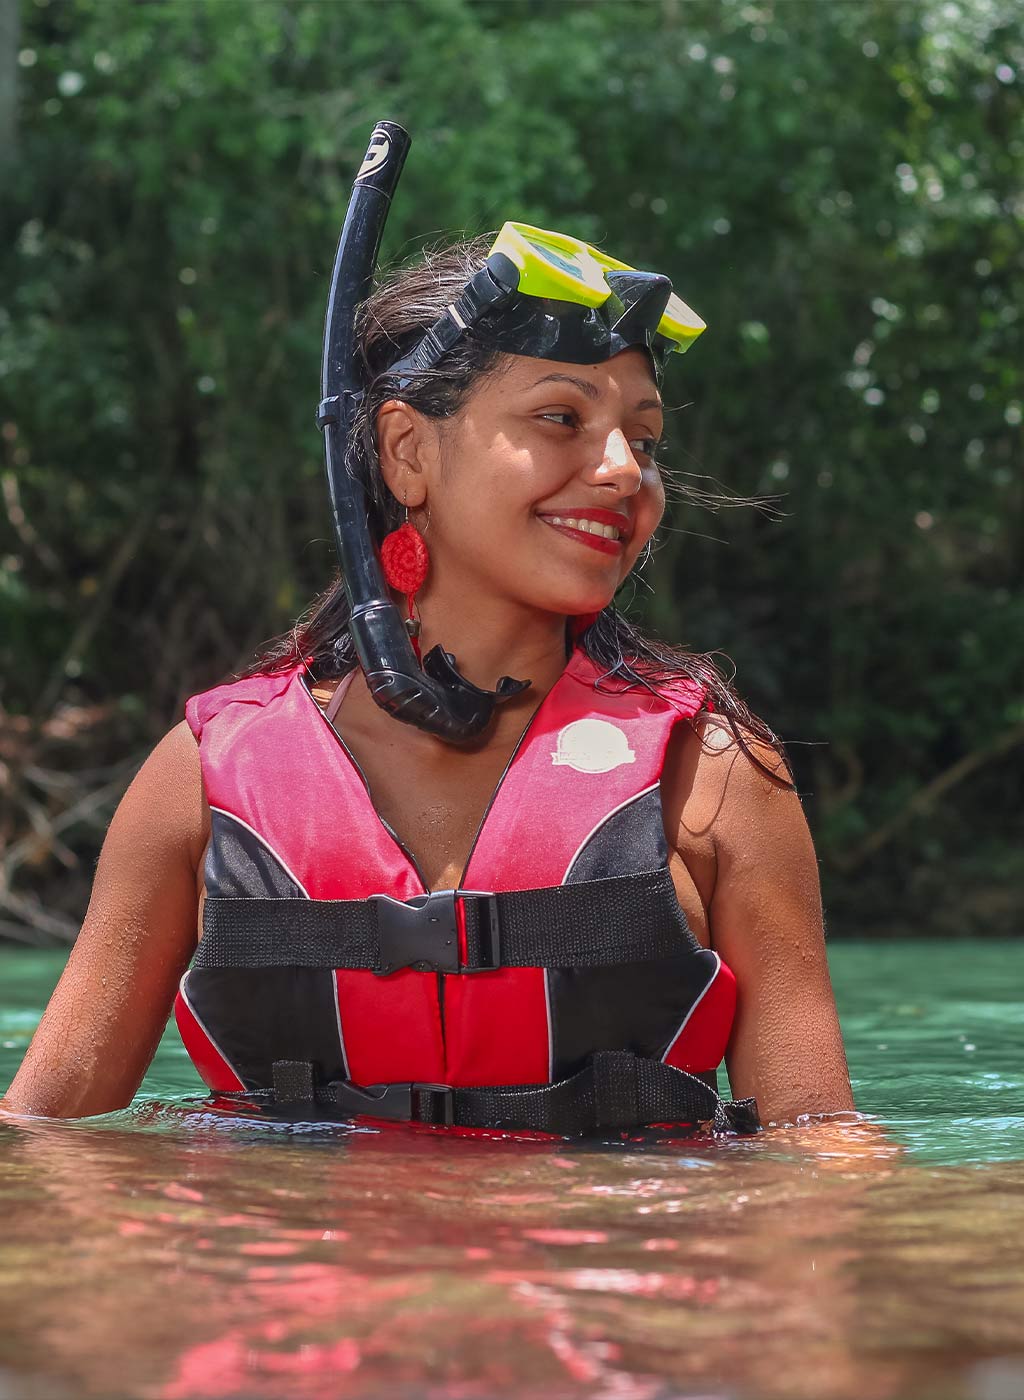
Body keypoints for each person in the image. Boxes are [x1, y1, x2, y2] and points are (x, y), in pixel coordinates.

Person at [1, 220, 853, 1134]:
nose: (621, 471)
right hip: (284, 1266)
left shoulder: (713, 776)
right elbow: (40, 1145)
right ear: (408, 451)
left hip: (609, 1265)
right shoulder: (203, 778)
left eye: (642, 440)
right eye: (561, 419)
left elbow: (822, 1157)